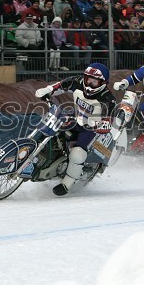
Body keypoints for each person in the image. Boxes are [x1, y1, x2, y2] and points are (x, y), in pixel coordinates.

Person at [34, 63, 116, 196]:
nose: (90, 84)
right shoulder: (77, 81)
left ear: (103, 83)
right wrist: (48, 90)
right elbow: (60, 85)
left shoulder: (108, 99)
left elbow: (109, 119)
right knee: (52, 126)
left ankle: (67, 183)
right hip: (75, 117)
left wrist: (102, 125)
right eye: (88, 79)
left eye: (94, 82)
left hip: (90, 128)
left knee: (77, 153)